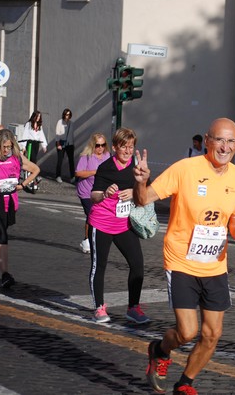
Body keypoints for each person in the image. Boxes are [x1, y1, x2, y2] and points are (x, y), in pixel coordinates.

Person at [133, 118, 235, 395]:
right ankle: (159, 350)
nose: (225, 146)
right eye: (219, 140)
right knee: (187, 332)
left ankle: (185, 383)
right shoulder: (185, 169)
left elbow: (234, 222)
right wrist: (141, 182)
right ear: (207, 141)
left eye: (231, 141)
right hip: (181, 259)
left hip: (215, 264)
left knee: (212, 335)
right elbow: (144, 199)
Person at [88, 127, 149, 324]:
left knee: (137, 264)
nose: (128, 151)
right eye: (124, 147)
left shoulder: (137, 166)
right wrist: (105, 193)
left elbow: (148, 190)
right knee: (100, 265)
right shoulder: (106, 167)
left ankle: (133, 307)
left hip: (124, 224)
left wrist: (134, 191)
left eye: (131, 147)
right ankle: (99, 307)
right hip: (102, 222)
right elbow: (94, 196)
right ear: (114, 147)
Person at [0, 129, 40, 288]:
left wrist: (23, 184)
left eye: (9, 146)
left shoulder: (16, 158)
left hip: (9, 201)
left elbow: (36, 169)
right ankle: (5, 274)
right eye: (3, 147)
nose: (6, 150)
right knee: (1, 232)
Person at [75, 133, 110, 254]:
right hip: (86, 191)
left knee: (98, 215)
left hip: (101, 192)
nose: (100, 148)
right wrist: (95, 172)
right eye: (98, 145)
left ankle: (96, 238)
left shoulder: (107, 156)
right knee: (91, 214)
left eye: (103, 145)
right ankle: (86, 239)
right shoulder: (87, 156)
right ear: (93, 145)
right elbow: (78, 173)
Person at [55, 108, 76, 183]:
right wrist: (58, 144)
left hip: (69, 144)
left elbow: (71, 135)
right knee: (60, 160)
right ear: (64, 114)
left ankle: (72, 176)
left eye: (69, 114)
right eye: (66, 114)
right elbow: (57, 134)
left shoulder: (71, 123)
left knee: (71, 160)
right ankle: (58, 176)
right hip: (61, 143)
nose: (68, 116)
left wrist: (73, 144)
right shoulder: (60, 122)